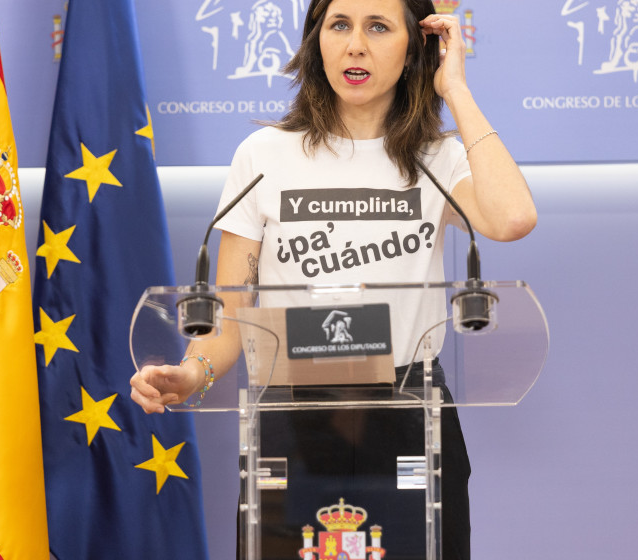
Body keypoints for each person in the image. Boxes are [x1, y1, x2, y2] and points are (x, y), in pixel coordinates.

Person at [131, 1, 537, 558]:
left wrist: (456, 90)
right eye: (339, 25)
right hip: (290, 418)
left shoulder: (437, 158)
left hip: (408, 410)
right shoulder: (264, 155)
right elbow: (227, 317)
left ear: (416, 46)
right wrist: (189, 372)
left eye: (378, 27)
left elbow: (512, 218)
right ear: (315, 39)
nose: (355, 45)